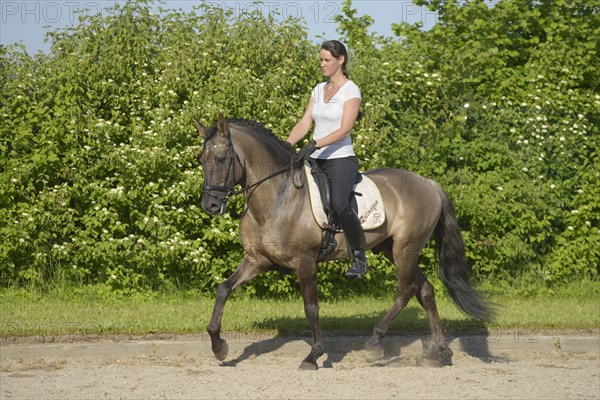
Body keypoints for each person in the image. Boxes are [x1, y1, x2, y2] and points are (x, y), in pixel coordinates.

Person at [286, 40, 367, 279]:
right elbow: (304, 123)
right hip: (315, 158)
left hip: (340, 159)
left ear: (340, 60)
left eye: (326, 60)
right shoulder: (318, 90)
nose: (322, 64)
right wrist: (286, 145)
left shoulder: (351, 90)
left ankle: (359, 257)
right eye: (321, 59)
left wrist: (314, 143)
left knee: (339, 203)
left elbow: (345, 129)